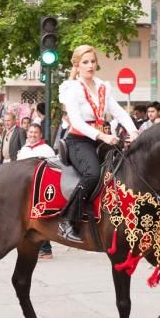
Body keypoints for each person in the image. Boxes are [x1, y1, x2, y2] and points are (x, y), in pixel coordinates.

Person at [58, 44, 139, 242]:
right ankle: (67, 220)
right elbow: (76, 121)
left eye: (93, 61)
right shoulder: (72, 89)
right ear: (77, 65)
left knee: (128, 169)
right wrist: (102, 136)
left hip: (103, 139)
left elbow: (118, 112)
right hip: (79, 140)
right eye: (85, 62)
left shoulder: (103, 86)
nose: (90, 65)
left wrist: (134, 131)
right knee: (93, 174)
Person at [17, 123, 55, 259]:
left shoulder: (47, 150)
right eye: (31, 132)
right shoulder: (24, 149)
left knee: (40, 218)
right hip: (26, 189)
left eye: (35, 132)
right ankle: (32, 247)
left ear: (40, 135)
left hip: (40, 189)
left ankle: (46, 249)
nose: (32, 135)